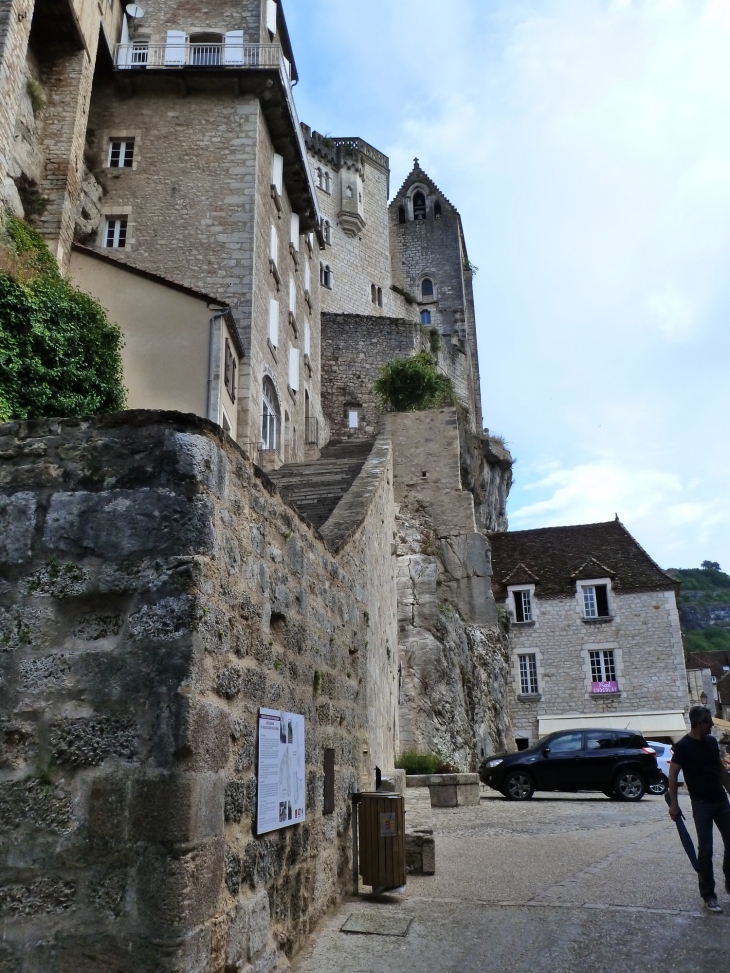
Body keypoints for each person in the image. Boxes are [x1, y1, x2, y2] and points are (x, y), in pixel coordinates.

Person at [668, 705, 730, 914]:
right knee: (705, 850)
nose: (712, 725)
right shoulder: (683, 746)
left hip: (721, 801)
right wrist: (674, 804)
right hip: (701, 804)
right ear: (698, 723)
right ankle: (709, 895)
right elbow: (673, 774)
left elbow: (720, 768)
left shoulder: (712, 742)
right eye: (709, 722)